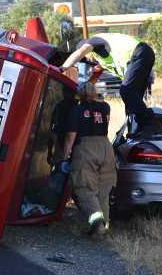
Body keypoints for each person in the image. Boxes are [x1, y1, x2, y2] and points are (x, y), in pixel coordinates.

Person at [60, 33, 155, 134]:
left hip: (138, 52)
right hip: (143, 54)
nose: (87, 60)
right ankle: (137, 131)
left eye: (86, 57)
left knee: (126, 91)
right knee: (131, 103)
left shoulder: (93, 41)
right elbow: (95, 76)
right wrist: (83, 89)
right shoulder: (101, 58)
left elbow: (80, 53)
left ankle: (150, 123)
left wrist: (62, 69)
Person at [63, 82, 117, 238]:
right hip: (106, 148)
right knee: (103, 190)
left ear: (79, 94)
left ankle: (97, 223)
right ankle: (104, 228)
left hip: (87, 148)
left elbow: (70, 136)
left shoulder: (77, 110)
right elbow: (99, 105)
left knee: (84, 187)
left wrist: (66, 155)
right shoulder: (105, 107)